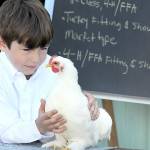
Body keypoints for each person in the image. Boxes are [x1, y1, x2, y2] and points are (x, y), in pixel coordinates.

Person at [0, 0, 112, 144]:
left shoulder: (56, 69)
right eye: (27, 50)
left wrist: (84, 109)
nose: (35, 59)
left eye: (43, 48)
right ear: (2, 43)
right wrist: (38, 127)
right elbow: (5, 132)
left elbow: (66, 126)